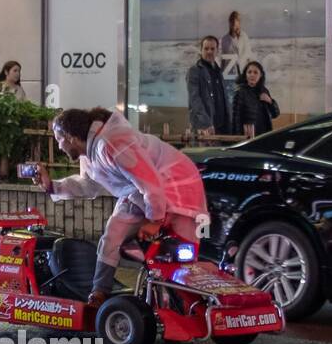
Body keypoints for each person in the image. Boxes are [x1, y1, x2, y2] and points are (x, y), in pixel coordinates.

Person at [31, 107, 208, 305]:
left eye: (58, 139)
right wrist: (51, 186)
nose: (59, 146)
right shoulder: (90, 152)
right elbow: (88, 185)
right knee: (112, 236)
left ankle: (191, 305)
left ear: (71, 137)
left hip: (179, 187)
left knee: (182, 255)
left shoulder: (112, 143)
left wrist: (154, 221)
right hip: (140, 193)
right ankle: (99, 294)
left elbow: (150, 182)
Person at [186, 35, 230, 135]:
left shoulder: (218, 71)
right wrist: (206, 123)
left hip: (223, 127)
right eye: (206, 49)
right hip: (205, 128)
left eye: (212, 49)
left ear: (217, 51)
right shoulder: (194, 71)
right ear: (201, 50)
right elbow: (195, 100)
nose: (209, 51)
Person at [231, 60, 280, 138]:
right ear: (245, 75)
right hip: (248, 136)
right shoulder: (240, 92)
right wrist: (238, 138)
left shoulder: (264, 90)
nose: (252, 75)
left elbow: (275, 114)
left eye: (255, 72)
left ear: (260, 75)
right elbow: (235, 119)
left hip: (264, 135)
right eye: (249, 72)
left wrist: (270, 101)